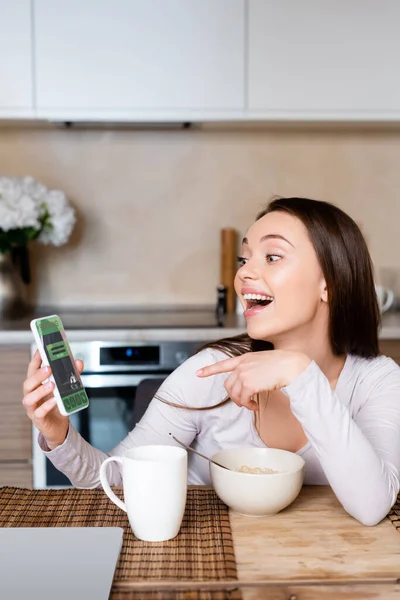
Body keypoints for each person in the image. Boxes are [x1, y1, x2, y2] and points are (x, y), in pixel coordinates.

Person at [22, 197, 400, 526]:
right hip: (202, 556)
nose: (244, 272)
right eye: (245, 257)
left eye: (272, 257)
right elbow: (116, 482)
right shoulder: (210, 371)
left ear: (329, 284)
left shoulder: (377, 381)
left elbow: (371, 507)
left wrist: (301, 376)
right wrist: (59, 434)